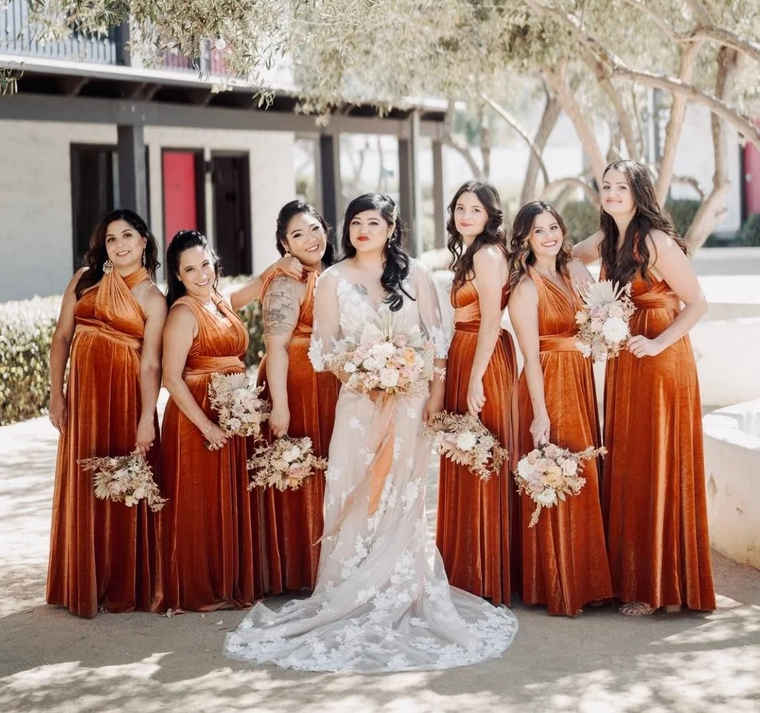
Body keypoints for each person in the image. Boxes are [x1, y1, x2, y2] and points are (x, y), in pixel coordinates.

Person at [223, 193, 518, 673]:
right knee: (353, 491)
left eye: (374, 222)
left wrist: (431, 391)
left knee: (402, 496)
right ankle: (347, 588)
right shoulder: (333, 280)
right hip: (359, 404)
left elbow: (436, 340)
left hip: (411, 404)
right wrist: (367, 370)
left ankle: (402, 585)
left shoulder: (416, 274)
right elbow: (326, 348)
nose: (363, 230)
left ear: (391, 228)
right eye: (356, 222)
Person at [574, 160, 716, 615]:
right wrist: (607, 232)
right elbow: (569, 255)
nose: (612, 192)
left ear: (639, 192)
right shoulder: (613, 239)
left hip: (659, 357)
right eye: (606, 186)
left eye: (621, 187)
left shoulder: (654, 240)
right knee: (630, 460)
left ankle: (656, 587)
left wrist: (656, 345)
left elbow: (697, 303)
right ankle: (631, 575)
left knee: (655, 459)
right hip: (625, 359)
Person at [160, 229, 301, 612]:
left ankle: (229, 579)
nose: (202, 274)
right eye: (191, 270)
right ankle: (201, 586)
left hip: (232, 410)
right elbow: (171, 378)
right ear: (178, 276)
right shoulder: (182, 313)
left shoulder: (220, 301)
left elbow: (256, 286)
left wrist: (284, 264)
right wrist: (207, 426)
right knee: (200, 500)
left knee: (228, 497)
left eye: (205, 263)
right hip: (197, 418)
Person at [47, 209, 167, 618]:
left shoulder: (153, 298)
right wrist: (56, 395)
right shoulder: (84, 280)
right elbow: (62, 338)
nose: (119, 245)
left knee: (122, 481)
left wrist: (147, 416)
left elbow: (151, 364)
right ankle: (80, 579)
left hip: (125, 398)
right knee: (84, 480)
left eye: (128, 235)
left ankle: (120, 582)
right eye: (111, 238)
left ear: (144, 242)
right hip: (82, 399)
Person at [508, 201, 612, 616]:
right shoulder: (525, 288)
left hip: (579, 379)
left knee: (581, 471)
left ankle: (588, 577)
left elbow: (600, 302)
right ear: (526, 240)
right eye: (539, 231)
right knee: (555, 472)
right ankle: (558, 582)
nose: (549, 236)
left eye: (554, 227)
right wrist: (540, 412)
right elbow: (530, 357)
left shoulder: (571, 271)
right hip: (546, 383)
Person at [436, 181, 516, 604]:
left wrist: (474, 378)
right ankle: (469, 566)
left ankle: (483, 572)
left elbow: (489, 320)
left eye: (476, 210)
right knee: (467, 453)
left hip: (482, 357)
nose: (466, 215)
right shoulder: (470, 255)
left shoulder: (486, 255)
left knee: (481, 452)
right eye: (460, 208)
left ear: (490, 217)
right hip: (465, 353)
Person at [256, 199, 337, 593]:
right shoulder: (288, 280)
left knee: (328, 473)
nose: (310, 239)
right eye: (298, 234)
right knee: (299, 472)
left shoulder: (332, 274)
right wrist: (281, 405)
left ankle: (330, 563)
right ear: (285, 244)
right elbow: (276, 347)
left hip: (331, 386)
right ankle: (298, 569)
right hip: (296, 386)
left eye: (314, 228)